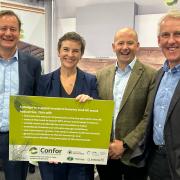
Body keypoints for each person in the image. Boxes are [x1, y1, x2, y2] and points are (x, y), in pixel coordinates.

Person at [36, 32, 98, 180]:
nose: (70, 54)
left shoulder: (91, 81)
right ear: (59, 52)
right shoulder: (44, 81)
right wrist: (46, 149)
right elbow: (37, 118)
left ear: (81, 54)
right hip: (51, 156)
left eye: (75, 50)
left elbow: (97, 119)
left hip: (81, 157)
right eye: (66, 49)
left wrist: (92, 105)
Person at [96, 27, 156, 180]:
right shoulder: (100, 75)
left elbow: (148, 117)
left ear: (137, 45)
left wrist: (124, 144)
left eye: (130, 43)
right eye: (120, 43)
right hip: (106, 153)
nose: (125, 47)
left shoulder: (151, 75)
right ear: (113, 46)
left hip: (134, 155)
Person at [0, 10, 41, 180]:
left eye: (13, 29)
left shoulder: (33, 63)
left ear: (19, 32)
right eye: (3, 28)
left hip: (19, 136)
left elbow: (38, 99)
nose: (8, 33)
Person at [144, 9, 180, 180]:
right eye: (165, 35)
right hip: (156, 160)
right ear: (159, 41)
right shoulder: (159, 75)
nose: (171, 41)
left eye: (178, 34)